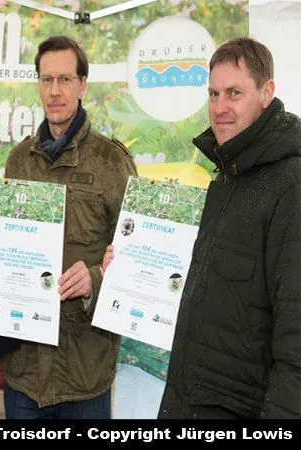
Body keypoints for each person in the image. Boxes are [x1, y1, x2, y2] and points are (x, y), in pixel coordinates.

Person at [102, 38, 300, 419]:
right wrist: (129, 272)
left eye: (234, 93)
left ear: (266, 92)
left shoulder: (291, 185)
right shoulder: (227, 178)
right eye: (213, 94)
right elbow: (215, 290)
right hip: (189, 400)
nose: (220, 107)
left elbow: (296, 335)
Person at [0, 35, 137, 419]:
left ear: (83, 84)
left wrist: (94, 281)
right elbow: (6, 244)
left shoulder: (111, 164)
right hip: (25, 376)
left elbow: (136, 264)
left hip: (84, 375)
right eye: (46, 80)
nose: (55, 91)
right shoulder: (18, 163)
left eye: (65, 79)